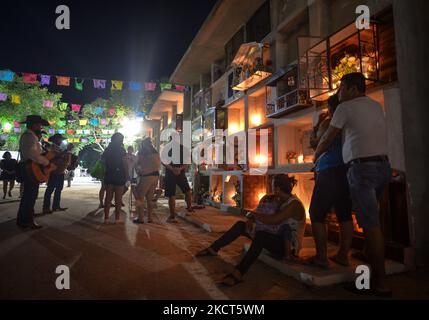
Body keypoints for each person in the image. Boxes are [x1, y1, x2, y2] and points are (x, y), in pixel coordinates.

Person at [315, 72, 392, 297]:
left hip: (362, 169)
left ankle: (379, 284)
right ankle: (369, 258)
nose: (339, 93)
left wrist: (316, 154)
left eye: (340, 88)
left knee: (370, 225)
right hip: (383, 167)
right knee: (372, 220)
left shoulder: (345, 108)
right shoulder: (375, 106)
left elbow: (328, 136)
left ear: (351, 88)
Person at [196, 174, 306, 286]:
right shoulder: (277, 199)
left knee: (261, 236)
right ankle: (214, 248)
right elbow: (262, 211)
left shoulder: (294, 204)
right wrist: (251, 219)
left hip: (287, 246)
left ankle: (239, 272)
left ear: (277, 189)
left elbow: (273, 220)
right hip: (273, 234)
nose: (271, 188)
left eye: (272, 186)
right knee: (241, 225)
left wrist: (253, 215)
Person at [306, 94, 353, 269]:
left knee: (317, 213)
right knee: (344, 214)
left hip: (328, 169)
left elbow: (314, 142)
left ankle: (321, 257)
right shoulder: (350, 123)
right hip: (346, 169)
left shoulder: (329, 123)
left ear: (331, 108)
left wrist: (317, 124)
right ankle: (343, 255)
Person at [16, 115, 51, 229]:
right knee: (30, 196)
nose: (40, 127)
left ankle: (23, 219)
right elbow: (32, 154)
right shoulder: (29, 137)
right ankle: (27, 220)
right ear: (34, 125)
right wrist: (46, 162)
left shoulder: (32, 137)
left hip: (31, 168)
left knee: (29, 195)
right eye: (39, 125)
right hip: (30, 169)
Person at [162, 136, 194, 223]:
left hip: (170, 174)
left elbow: (163, 161)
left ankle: (172, 216)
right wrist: (180, 169)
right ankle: (189, 208)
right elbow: (188, 161)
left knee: (171, 194)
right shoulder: (184, 149)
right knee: (187, 191)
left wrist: (172, 169)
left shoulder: (167, 148)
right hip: (180, 173)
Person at [102, 132, 129, 224]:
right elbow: (125, 164)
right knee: (118, 198)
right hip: (119, 175)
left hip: (109, 174)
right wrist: (127, 175)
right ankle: (117, 219)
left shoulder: (107, 149)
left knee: (108, 198)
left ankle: (106, 218)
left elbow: (102, 161)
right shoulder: (122, 150)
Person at [133, 138, 161, 224]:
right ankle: (150, 218)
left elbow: (135, 164)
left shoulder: (142, 152)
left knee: (140, 197)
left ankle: (140, 218)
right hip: (155, 177)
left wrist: (138, 170)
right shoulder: (156, 152)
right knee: (150, 198)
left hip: (146, 177)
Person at [42, 134, 70, 214]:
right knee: (50, 189)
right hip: (53, 170)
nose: (61, 141)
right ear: (56, 139)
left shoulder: (59, 148)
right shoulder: (51, 147)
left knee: (58, 189)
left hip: (60, 171)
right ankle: (46, 207)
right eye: (60, 139)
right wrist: (66, 152)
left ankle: (56, 206)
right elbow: (55, 158)